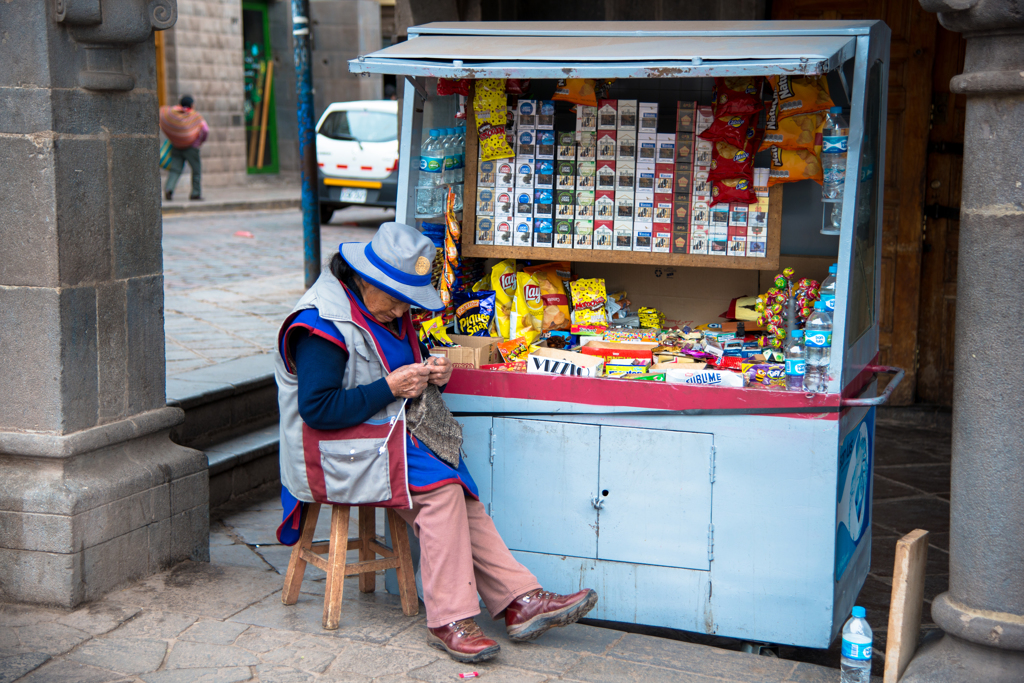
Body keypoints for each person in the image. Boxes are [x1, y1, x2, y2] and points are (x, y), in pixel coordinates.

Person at [275, 222, 597, 663]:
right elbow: (318, 411)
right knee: (442, 491)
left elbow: (394, 381)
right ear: (367, 279)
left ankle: (520, 600)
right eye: (395, 299)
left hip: (377, 438)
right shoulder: (320, 325)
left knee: (457, 489)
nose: (400, 311)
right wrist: (391, 386)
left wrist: (431, 378)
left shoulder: (385, 309)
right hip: (330, 450)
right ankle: (450, 618)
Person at [159, 95, 208, 201]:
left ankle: (169, 189)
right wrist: (200, 140)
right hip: (192, 148)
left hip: (176, 146)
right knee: (196, 170)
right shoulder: (195, 116)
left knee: (175, 170)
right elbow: (205, 130)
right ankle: (195, 193)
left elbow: (162, 114)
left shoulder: (173, 114)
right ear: (191, 104)